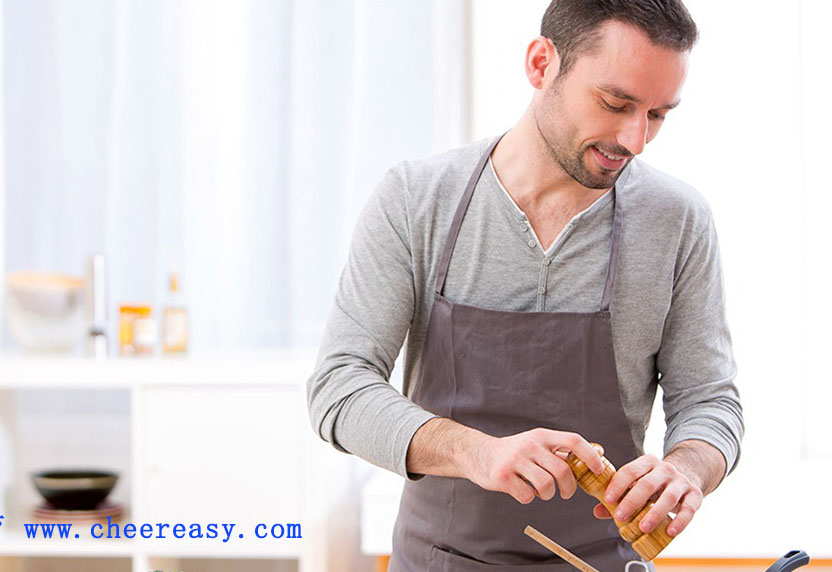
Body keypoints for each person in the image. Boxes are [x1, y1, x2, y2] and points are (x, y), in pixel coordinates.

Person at [306, 0, 744, 570]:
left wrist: (686, 469)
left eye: (658, 114)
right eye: (615, 103)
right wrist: (477, 453)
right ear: (541, 64)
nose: (635, 139)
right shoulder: (417, 200)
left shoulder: (677, 221)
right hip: (438, 559)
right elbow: (338, 389)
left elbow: (710, 400)